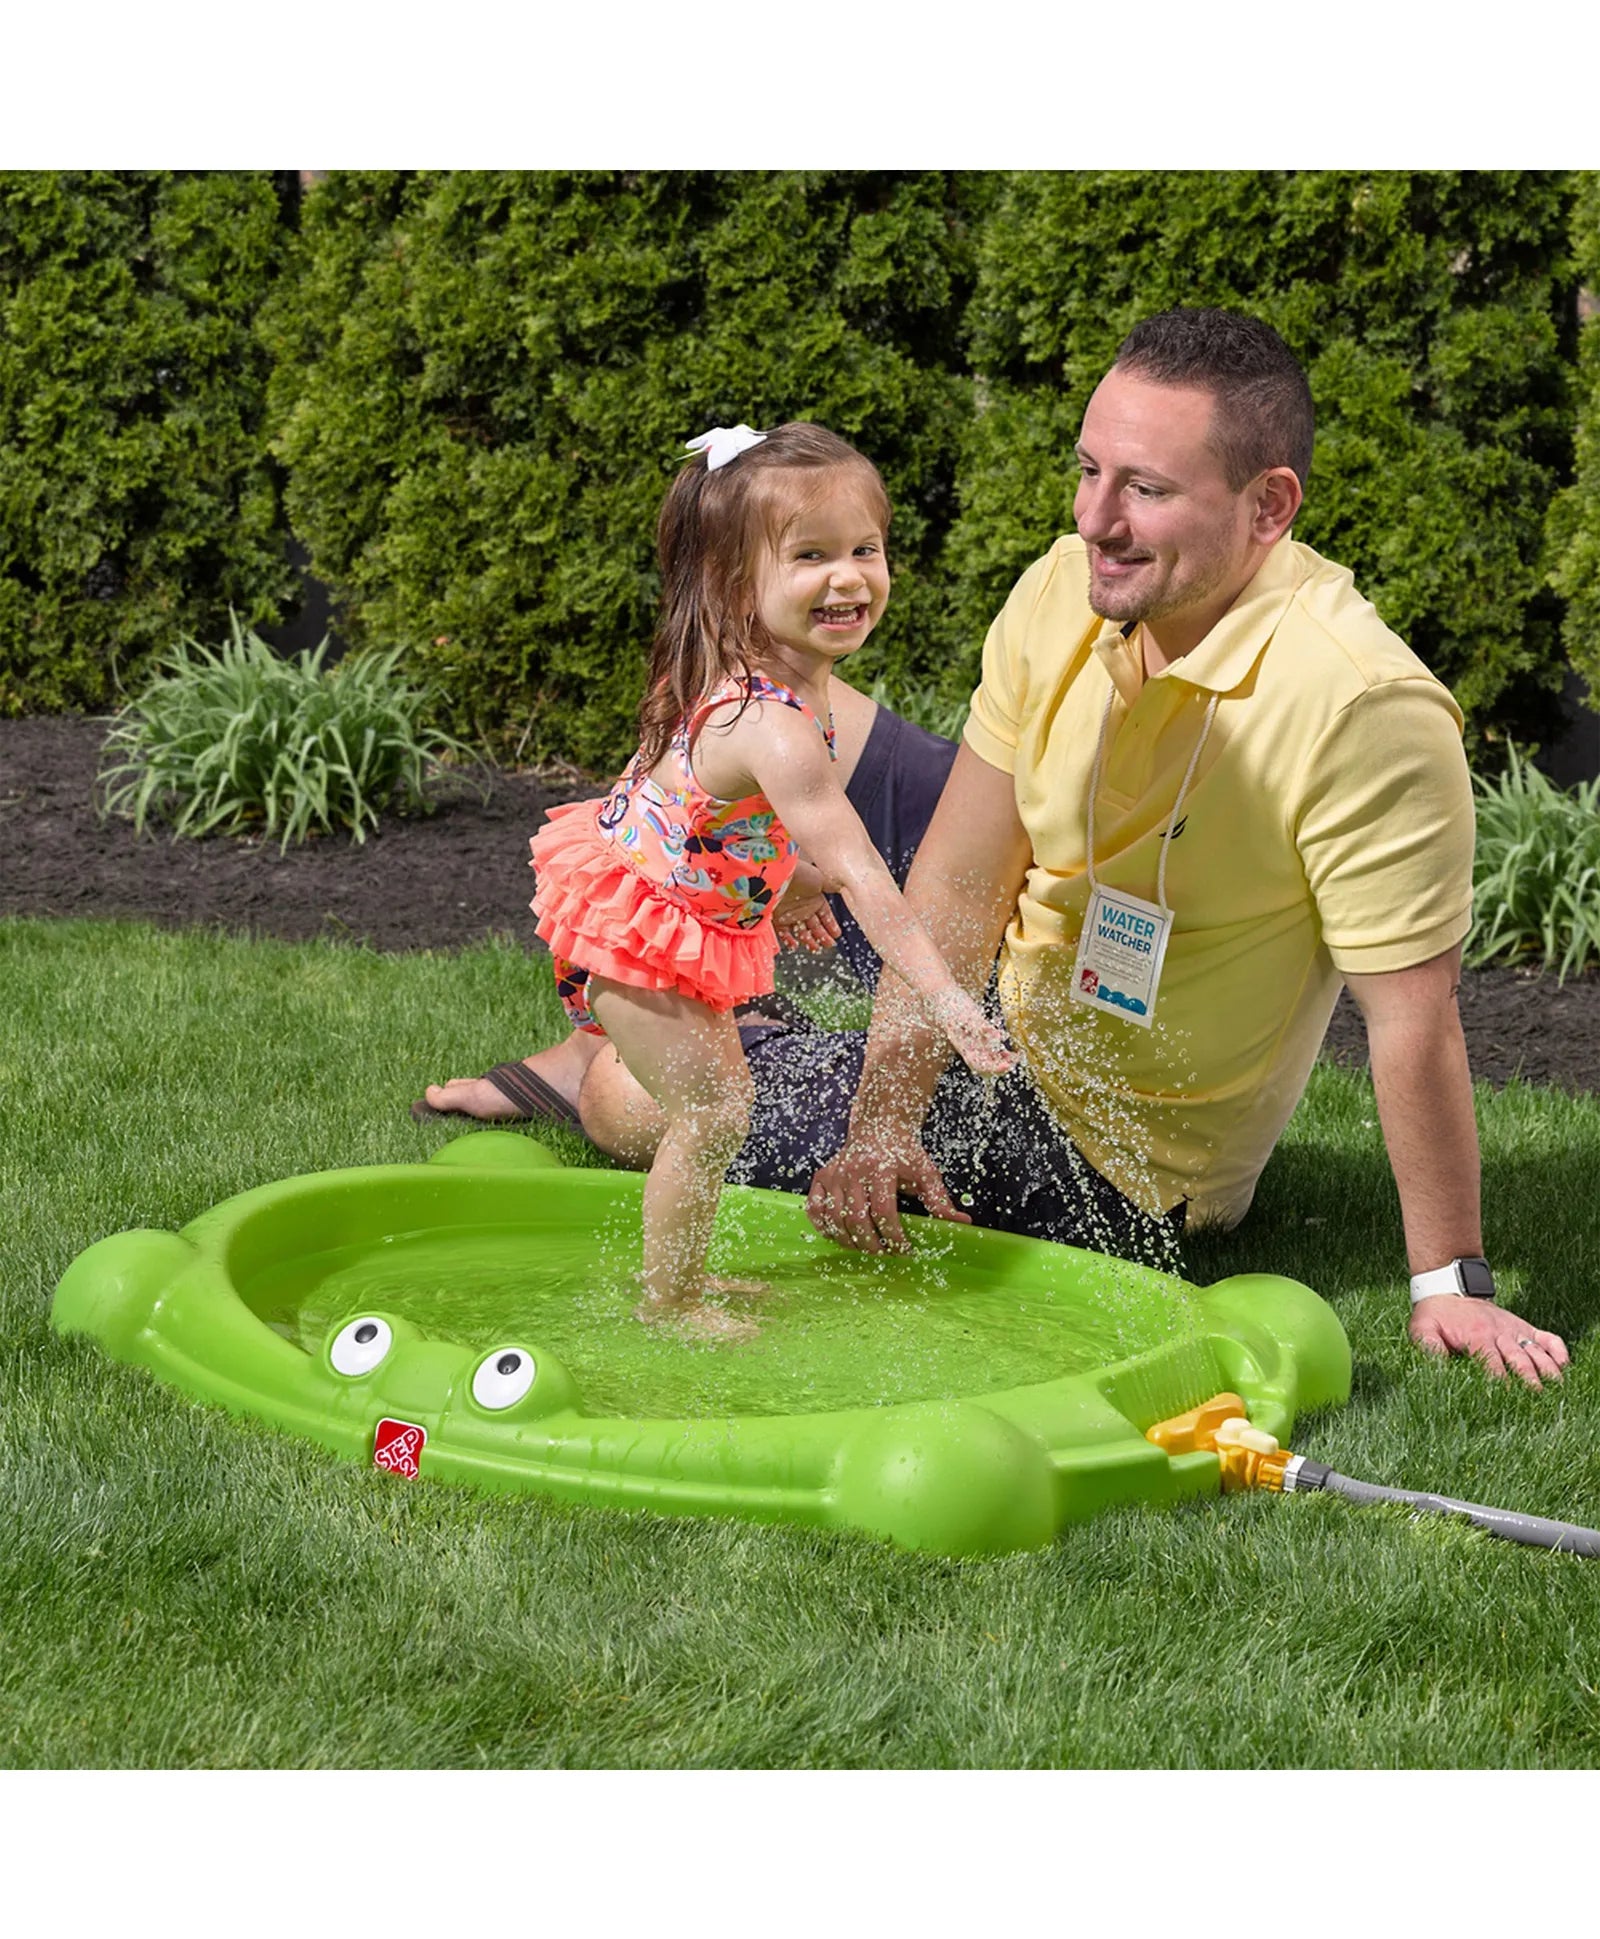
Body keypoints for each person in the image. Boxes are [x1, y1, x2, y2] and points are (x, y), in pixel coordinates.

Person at [575, 310, 1570, 1389]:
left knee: (621, 1097)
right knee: (681, 1037)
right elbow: (957, 883)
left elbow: (1410, 1017)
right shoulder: (1061, 588)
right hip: (1000, 1033)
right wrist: (882, 1123)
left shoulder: (1361, 705)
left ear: (1268, 505)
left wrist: (1449, 1284)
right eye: (1088, 470)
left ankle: (639, 1035)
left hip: (1117, 1163)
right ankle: (686, 1021)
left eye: (1144, 488)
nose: (1096, 519)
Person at [507, 420, 1010, 1342]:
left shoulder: (785, 675)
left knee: (720, 1102)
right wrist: (946, 998)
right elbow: (864, 864)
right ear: (740, 586)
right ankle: (669, 1303)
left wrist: (790, 885)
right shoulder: (773, 720)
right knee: (714, 1110)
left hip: (669, 901)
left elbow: (717, 810)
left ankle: (685, 1276)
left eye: (866, 548)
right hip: (641, 929)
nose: (849, 576)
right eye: (811, 556)